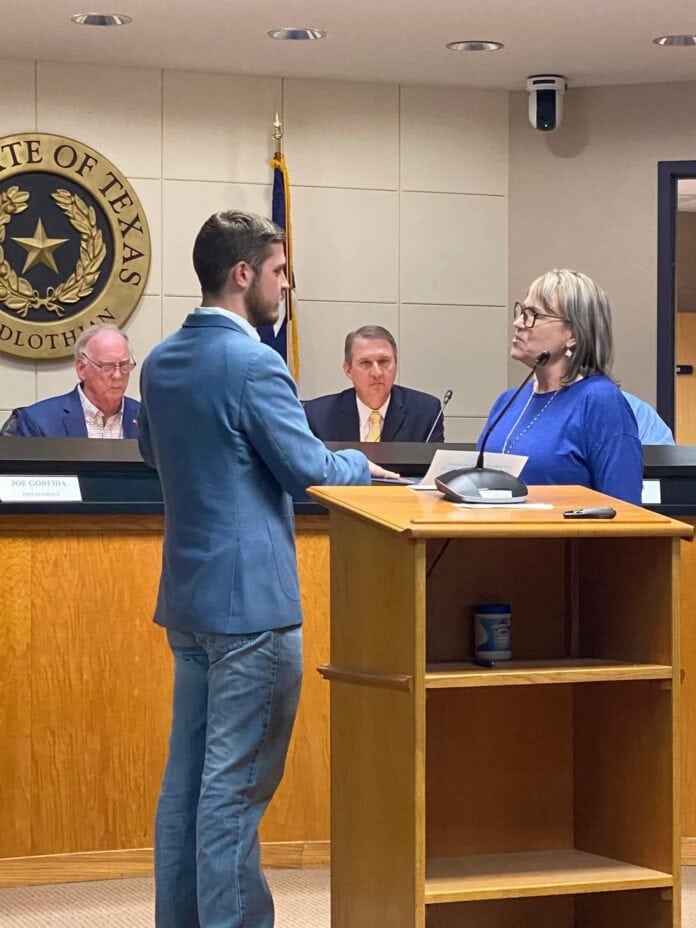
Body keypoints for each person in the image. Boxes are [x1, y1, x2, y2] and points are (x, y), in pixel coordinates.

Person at [138, 210, 394, 928]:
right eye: (279, 272)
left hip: (188, 606)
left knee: (187, 787)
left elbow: (154, 457)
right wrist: (363, 467)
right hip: (252, 609)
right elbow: (307, 468)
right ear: (242, 274)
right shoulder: (254, 362)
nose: (286, 286)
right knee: (233, 794)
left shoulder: (159, 362)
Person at [478, 269, 643, 504]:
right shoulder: (507, 401)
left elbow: (625, 509)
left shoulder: (600, 401)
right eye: (521, 312)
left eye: (533, 314)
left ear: (573, 334)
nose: (518, 323)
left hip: (565, 540)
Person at [303, 324, 445, 442]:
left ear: (396, 366)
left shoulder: (427, 412)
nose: (377, 373)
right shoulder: (317, 416)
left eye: (384, 362)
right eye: (365, 363)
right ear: (348, 370)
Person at [12, 324, 139, 437]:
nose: (117, 375)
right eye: (107, 367)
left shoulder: (149, 419)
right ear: (81, 368)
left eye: (124, 365)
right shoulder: (39, 421)